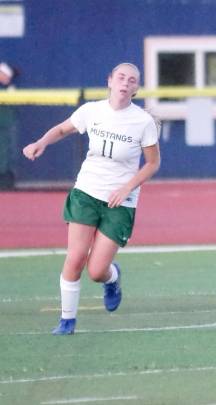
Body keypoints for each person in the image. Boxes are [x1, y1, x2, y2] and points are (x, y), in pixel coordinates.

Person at [22, 63, 161, 335]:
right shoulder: (91, 111)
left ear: (136, 88)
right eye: (120, 77)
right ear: (109, 81)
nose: (125, 83)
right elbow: (62, 129)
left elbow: (152, 163)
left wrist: (126, 188)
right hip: (86, 192)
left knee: (96, 271)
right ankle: (67, 321)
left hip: (119, 203)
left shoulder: (142, 122)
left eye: (131, 80)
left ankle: (113, 278)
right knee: (75, 258)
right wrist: (41, 142)